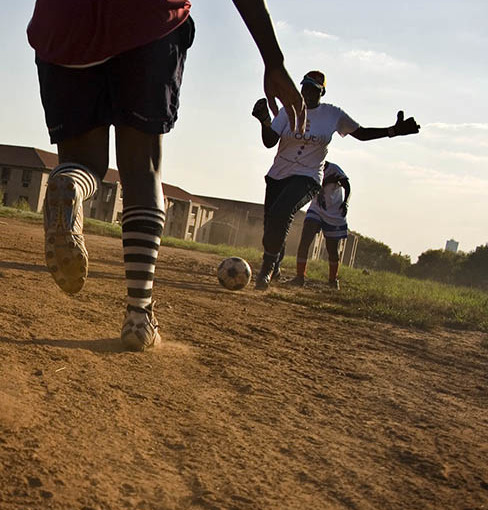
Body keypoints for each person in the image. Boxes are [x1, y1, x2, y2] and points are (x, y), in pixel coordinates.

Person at [27, 0, 306, 352]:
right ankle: (138, 317)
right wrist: (273, 59)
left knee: (83, 161)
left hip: (65, 23)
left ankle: (69, 181)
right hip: (146, 20)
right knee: (142, 167)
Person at [251, 69, 420, 290]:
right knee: (272, 222)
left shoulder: (333, 114)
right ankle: (276, 264)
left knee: (283, 212)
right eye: (305, 87)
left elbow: (362, 133)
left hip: (308, 177)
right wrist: (264, 120)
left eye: (314, 89)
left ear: (322, 92)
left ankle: (266, 268)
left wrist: (393, 131)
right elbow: (269, 141)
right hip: (277, 175)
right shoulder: (288, 111)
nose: (308, 92)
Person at [290, 160, 350, 289]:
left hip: (333, 212)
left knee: (332, 248)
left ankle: (333, 281)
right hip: (316, 209)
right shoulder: (310, 166)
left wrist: (345, 203)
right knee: (305, 241)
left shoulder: (335, 169)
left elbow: (347, 185)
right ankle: (299, 277)